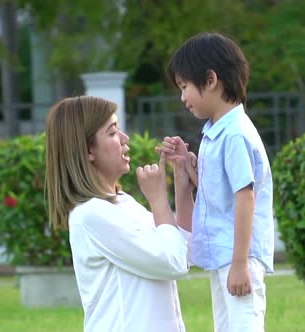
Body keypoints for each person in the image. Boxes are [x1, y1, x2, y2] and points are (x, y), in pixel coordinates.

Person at [44, 96, 194, 332]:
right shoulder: (92, 214)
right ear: (88, 150)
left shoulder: (122, 202)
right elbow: (172, 262)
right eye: (112, 132)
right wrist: (158, 200)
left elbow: (182, 252)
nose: (125, 139)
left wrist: (181, 181)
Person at [161, 32, 275, 332]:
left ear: (210, 80)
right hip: (224, 256)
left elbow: (245, 197)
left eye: (185, 87)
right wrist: (189, 167)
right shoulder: (215, 132)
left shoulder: (235, 134)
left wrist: (239, 264)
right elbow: (219, 191)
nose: (183, 97)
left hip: (238, 257)